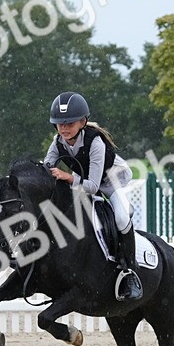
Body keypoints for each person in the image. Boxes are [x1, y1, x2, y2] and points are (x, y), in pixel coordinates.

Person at [43, 91, 142, 301]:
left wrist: (68, 178)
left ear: (82, 122)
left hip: (112, 182)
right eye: (60, 123)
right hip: (85, 180)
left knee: (122, 217)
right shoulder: (58, 141)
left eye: (69, 123)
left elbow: (93, 187)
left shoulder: (95, 142)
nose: (64, 128)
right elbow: (46, 167)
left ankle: (129, 272)